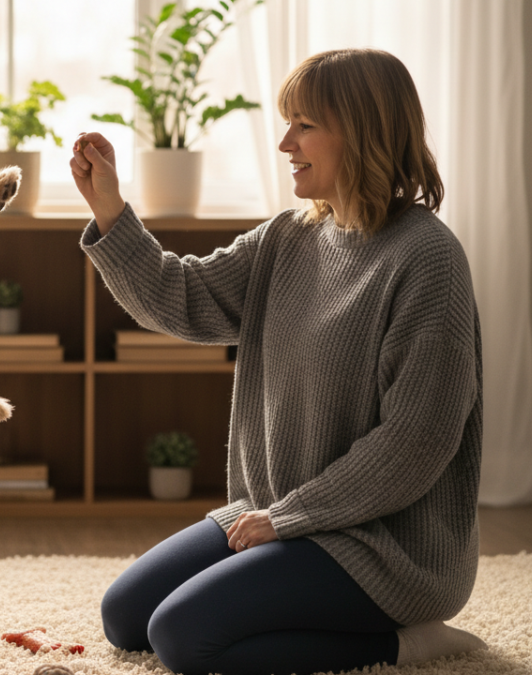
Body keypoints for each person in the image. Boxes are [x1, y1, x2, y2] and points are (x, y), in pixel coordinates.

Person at [70, 48, 488, 675]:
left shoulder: (428, 259)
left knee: (184, 639)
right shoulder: (288, 237)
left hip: (382, 545)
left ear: (365, 131)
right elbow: (183, 298)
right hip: (274, 513)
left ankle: (407, 643)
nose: (285, 142)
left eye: (305, 125)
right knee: (127, 618)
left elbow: (417, 440)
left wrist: (291, 517)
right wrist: (109, 209)